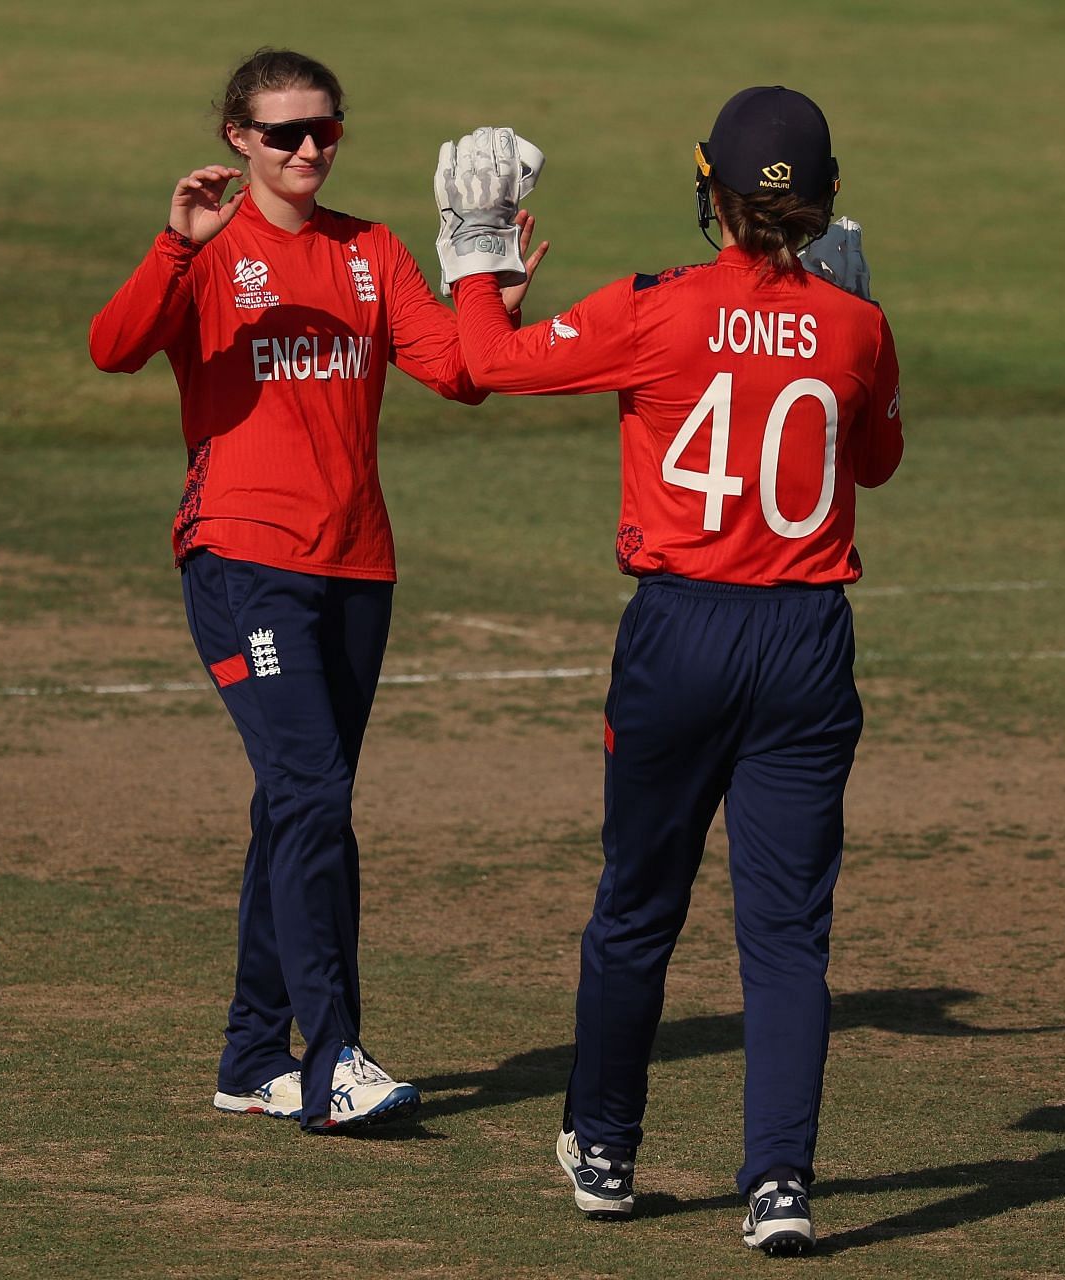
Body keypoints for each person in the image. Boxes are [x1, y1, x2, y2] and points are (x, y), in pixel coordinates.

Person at [436, 88, 903, 1254]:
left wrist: (480, 250)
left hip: (682, 632)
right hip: (805, 640)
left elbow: (483, 362)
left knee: (637, 904)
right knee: (788, 933)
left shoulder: (657, 311)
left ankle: (603, 1145)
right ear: (830, 198)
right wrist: (840, 301)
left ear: (711, 191)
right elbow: (880, 460)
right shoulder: (860, 327)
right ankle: (780, 1183)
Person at [88, 49, 541, 1135]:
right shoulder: (207, 249)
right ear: (237, 138)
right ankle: (334, 1058)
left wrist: (492, 293)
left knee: (296, 801)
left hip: (356, 567)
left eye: (324, 131)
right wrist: (171, 246)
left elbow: (461, 374)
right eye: (285, 133)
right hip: (243, 558)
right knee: (311, 796)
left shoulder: (373, 250)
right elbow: (112, 349)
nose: (307, 151)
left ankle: (253, 1054)